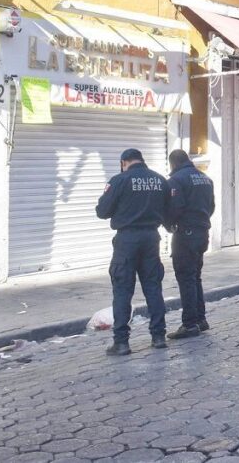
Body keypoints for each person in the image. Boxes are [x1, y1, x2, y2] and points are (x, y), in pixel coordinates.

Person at [96, 148, 171, 356]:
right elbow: (169, 211)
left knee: (122, 290)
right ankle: (158, 337)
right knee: (153, 288)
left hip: (127, 240)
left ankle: (121, 342)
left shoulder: (120, 180)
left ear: (124, 163)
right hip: (151, 239)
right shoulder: (160, 180)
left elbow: (102, 211)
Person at [164, 149, 215, 340]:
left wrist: (169, 224)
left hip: (185, 234)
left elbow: (174, 208)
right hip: (202, 233)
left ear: (173, 164)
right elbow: (211, 207)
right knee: (195, 277)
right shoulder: (205, 179)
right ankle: (200, 319)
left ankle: (189, 324)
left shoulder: (177, 180)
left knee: (186, 278)